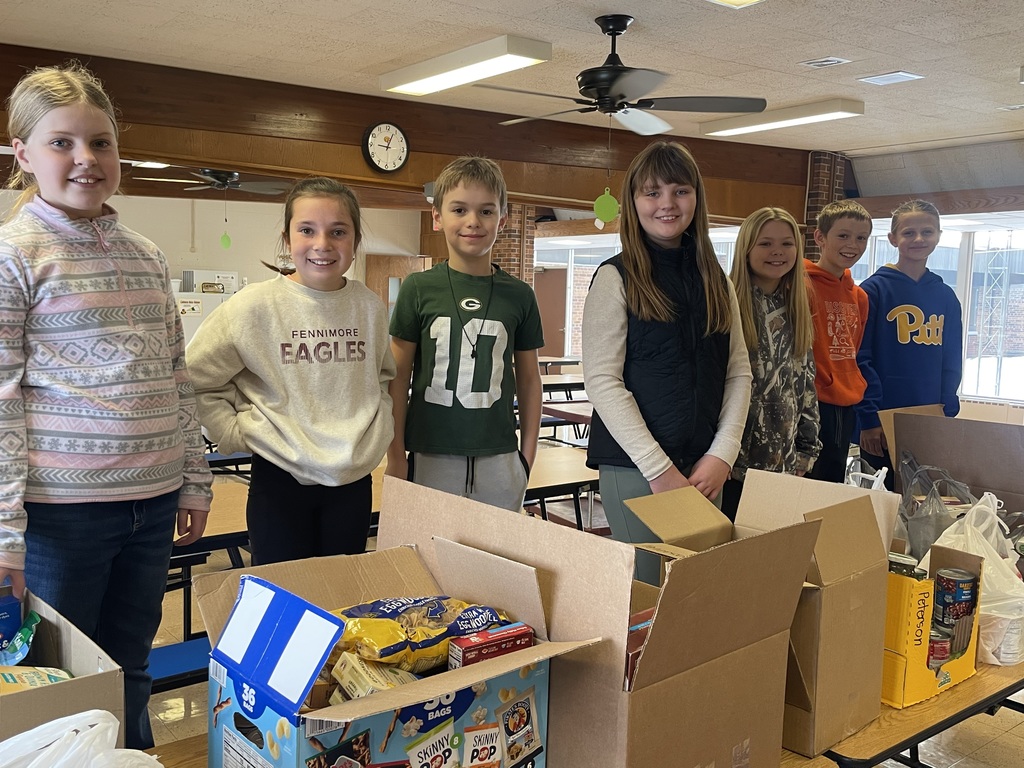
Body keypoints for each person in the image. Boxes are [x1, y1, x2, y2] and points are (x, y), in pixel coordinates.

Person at [0, 63, 212, 749]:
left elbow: (176, 374)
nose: (86, 159)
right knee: (57, 683)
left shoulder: (146, 254)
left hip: (151, 505)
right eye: (62, 143)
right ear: (22, 154)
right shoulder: (13, 254)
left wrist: (196, 476)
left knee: (133, 664)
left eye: (101, 143)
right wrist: (5, 531)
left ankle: (132, 760)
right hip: (61, 518)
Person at [187, 177, 395, 564]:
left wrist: (377, 425)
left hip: (352, 482)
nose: (322, 244)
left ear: (355, 240)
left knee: (342, 598)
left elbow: (381, 377)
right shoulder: (254, 306)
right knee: (284, 600)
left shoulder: (369, 307)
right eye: (307, 230)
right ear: (287, 239)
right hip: (279, 477)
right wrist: (232, 431)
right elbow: (194, 379)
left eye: (338, 231)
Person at [582, 141, 752, 584]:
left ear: (697, 197)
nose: (667, 204)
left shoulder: (717, 280)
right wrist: (658, 469)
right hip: (637, 467)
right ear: (632, 202)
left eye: (680, 191)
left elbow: (737, 373)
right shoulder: (614, 276)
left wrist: (722, 454)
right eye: (652, 193)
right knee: (648, 595)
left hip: (704, 468)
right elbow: (602, 382)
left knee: (694, 595)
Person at [386, 156, 543, 511]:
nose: (473, 222)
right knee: (426, 557)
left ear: (502, 219)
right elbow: (397, 377)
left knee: (497, 561)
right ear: (438, 217)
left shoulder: (519, 295)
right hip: (430, 455)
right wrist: (396, 456)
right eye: (459, 210)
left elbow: (530, 380)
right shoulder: (418, 287)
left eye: (486, 211)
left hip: (500, 457)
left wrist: (526, 457)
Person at [855, 199, 962, 490]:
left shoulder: (946, 296)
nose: (918, 239)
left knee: (923, 500)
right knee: (881, 500)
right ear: (893, 238)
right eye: (908, 232)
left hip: (929, 419)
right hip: (880, 420)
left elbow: (951, 360)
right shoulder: (873, 291)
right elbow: (860, 359)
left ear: (938, 236)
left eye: (927, 232)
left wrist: (947, 410)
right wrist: (868, 418)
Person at [722, 207, 820, 519]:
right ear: (746, 248)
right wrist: (717, 455)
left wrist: (806, 452)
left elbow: (805, 386)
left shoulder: (795, 307)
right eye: (765, 243)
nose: (777, 252)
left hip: (784, 466)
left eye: (786, 244)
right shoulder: (725, 303)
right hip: (731, 466)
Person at [804, 199, 873, 483]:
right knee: (808, 482)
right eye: (843, 236)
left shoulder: (859, 296)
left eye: (861, 238)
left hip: (846, 404)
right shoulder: (801, 284)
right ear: (820, 237)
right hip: (812, 403)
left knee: (832, 482)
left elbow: (853, 350)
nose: (852, 245)